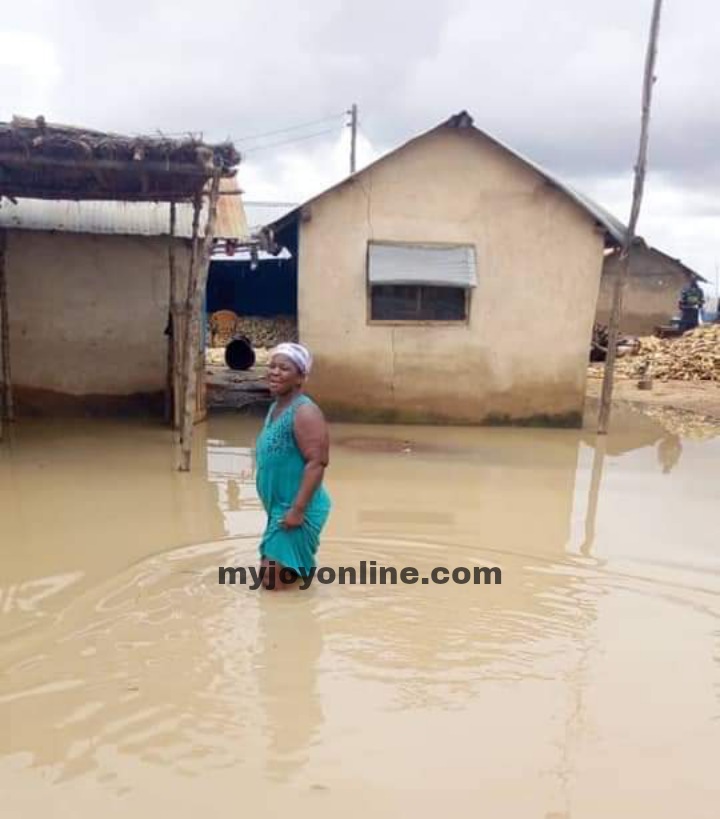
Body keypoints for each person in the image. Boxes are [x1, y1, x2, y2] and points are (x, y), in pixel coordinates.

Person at [255, 342, 331, 590]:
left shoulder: (305, 412)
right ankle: (303, 617)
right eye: (272, 366)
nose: (275, 372)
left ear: (300, 377)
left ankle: (289, 625)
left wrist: (297, 510)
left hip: (297, 507)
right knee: (286, 578)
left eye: (284, 368)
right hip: (279, 508)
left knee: (270, 578)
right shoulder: (276, 408)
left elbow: (317, 462)